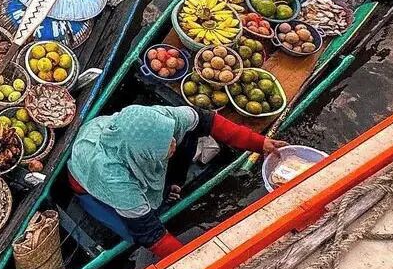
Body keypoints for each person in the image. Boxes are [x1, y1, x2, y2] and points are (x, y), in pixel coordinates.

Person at [67, 104, 287, 258]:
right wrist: (187, 260)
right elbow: (149, 233)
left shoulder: (161, 119)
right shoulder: (114, 179)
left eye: (170, 139)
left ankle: (170, 184)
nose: (173, 143)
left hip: (128, 151)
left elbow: (207, 120)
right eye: (166, 146)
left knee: (188, 137)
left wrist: (260, 143)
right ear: (144, 157)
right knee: (131, 233)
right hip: (87, 180)